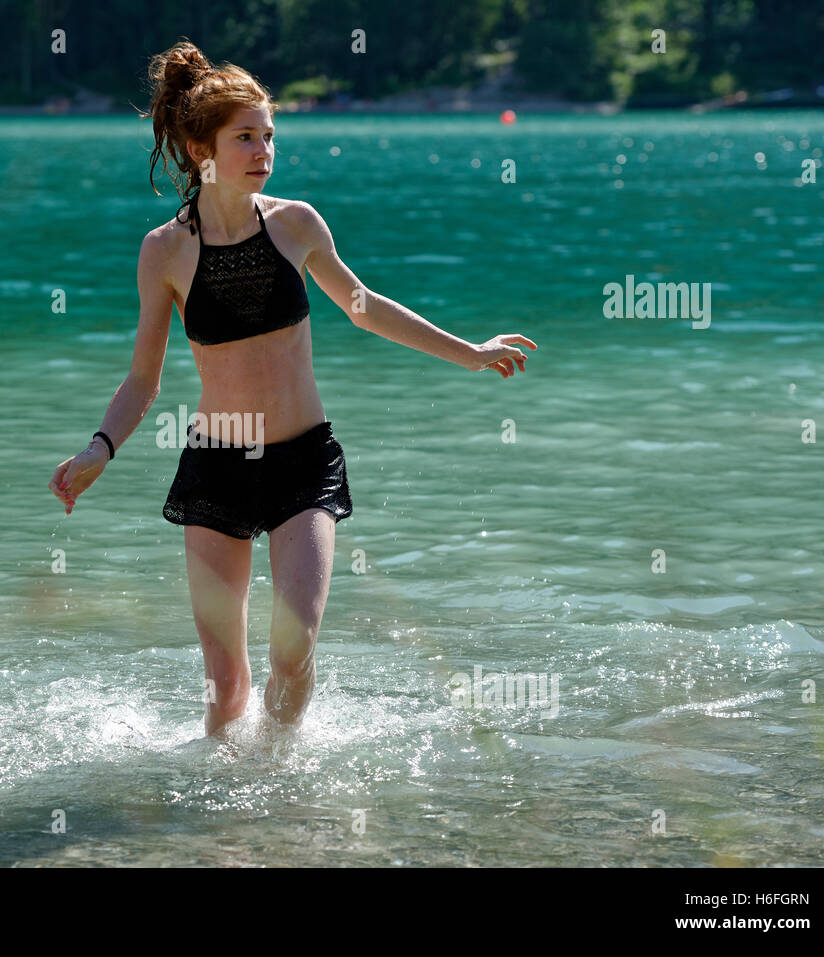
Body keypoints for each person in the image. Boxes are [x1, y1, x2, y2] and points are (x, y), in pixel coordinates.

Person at [48, 40, 536, 739]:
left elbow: (363, 304)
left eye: (269, 135)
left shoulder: (296, 224)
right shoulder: (165, 251)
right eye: (245, 136)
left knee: (294, 646)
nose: (263, 149)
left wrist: (469, 353)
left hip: (303, 463)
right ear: (199, 148)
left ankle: (279, 775)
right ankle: (224, 815)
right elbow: (143, 378)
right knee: (224, 688)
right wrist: (99, 448)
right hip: (217, 464)